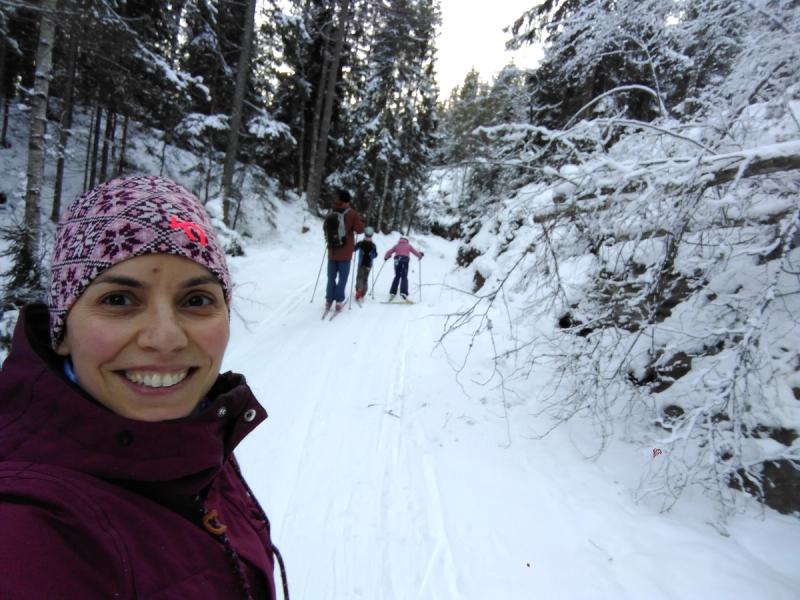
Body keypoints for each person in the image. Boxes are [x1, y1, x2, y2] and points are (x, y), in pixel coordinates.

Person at [0, 176, 288, 599]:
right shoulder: (28, 531)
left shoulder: (201, 431)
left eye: (196, 300)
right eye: (119, 300)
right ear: (62, 330)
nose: (165, 338)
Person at [323, 188, 364, 313]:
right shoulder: (352, 213)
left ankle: (329, 300)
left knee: (331, 277)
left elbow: (325, 227)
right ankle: (339, 301)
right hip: (345, 253)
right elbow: (359, 230)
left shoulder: (331, 210)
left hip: (332, 250)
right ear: (348, 200)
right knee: (342, 278)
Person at [384, 235, 423, 302]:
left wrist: (386, 257)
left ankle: (393, 292)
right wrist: (420, 255)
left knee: (397, 276)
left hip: (397, 260)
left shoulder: (396, 245)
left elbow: (388, 252)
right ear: (407, 240)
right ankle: (403, 292)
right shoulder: (408, 246)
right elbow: (415, 252)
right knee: (404, 276)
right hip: (404, 260)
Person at [353, 226, 378, 304]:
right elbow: (375, 255)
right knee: (365, 278)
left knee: (359, 277)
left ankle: (359, 290)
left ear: (365, 234)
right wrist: (371, 254)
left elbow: (354, 249)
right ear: (372, 235)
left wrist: (354, 244)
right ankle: (363, 293)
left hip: (361, 264)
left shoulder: (361, 243)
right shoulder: (373, 245)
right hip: (368, 265)